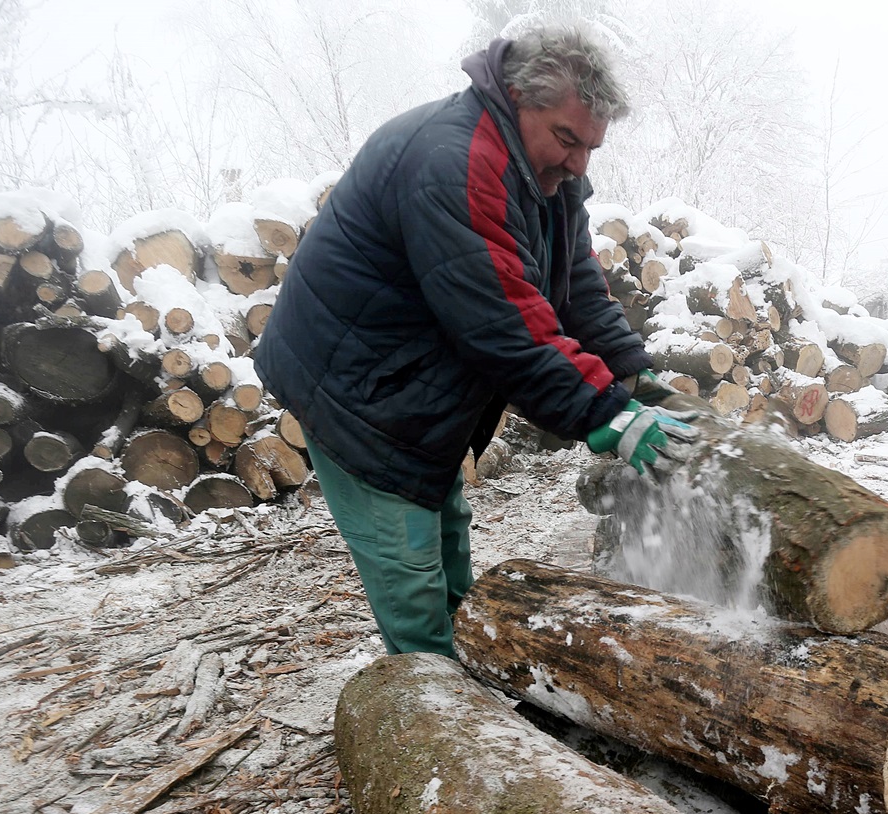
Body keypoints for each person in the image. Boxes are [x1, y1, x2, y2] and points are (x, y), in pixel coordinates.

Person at [253, 25, 695, 658]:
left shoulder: (547, 177)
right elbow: (503, 322)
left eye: (590, 147)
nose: (578, 164)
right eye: (567, 140)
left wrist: (631, 376)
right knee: (409, 568)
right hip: (361, 392)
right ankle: (435, 713)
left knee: (447, 530)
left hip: (416, 381)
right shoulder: (453, 163)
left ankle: (466, 670)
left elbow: (576, 291)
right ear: (516, 96)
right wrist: (603, 413)